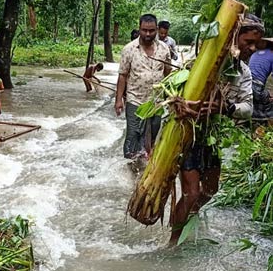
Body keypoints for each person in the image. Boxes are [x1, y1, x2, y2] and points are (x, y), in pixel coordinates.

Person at [169, 14, 263, 246]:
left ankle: (187, 217)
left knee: (210, 190)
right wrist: (179, 103)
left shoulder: (243, 72)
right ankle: (172, 243)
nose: (251, 48)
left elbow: (248, 108)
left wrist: (227, 107)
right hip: (188, 132)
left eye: (255, 44)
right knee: (191, 193)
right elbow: (171, 91)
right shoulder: (199, 62)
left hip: (214, 135)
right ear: (234, 37)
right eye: (248, 42)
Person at [115, 14, 172, 159]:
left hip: (157, 101)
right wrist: (118, 100)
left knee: (153, 134)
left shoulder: (164, 49)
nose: (148, 34)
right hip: (135, 99)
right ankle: (129, 165)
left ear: (157, 30)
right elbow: (122, 75)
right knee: (133, 135)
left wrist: (170, 96)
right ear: (139, 29)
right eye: (144, 30)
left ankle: (146, 164)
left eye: (151, 30)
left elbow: (167, 73)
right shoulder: (129, 49)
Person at [249, 37, 273, 120]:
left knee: (255, 104)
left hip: (246, 84)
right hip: (257, 86)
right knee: (269, 103)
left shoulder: (255, 54)